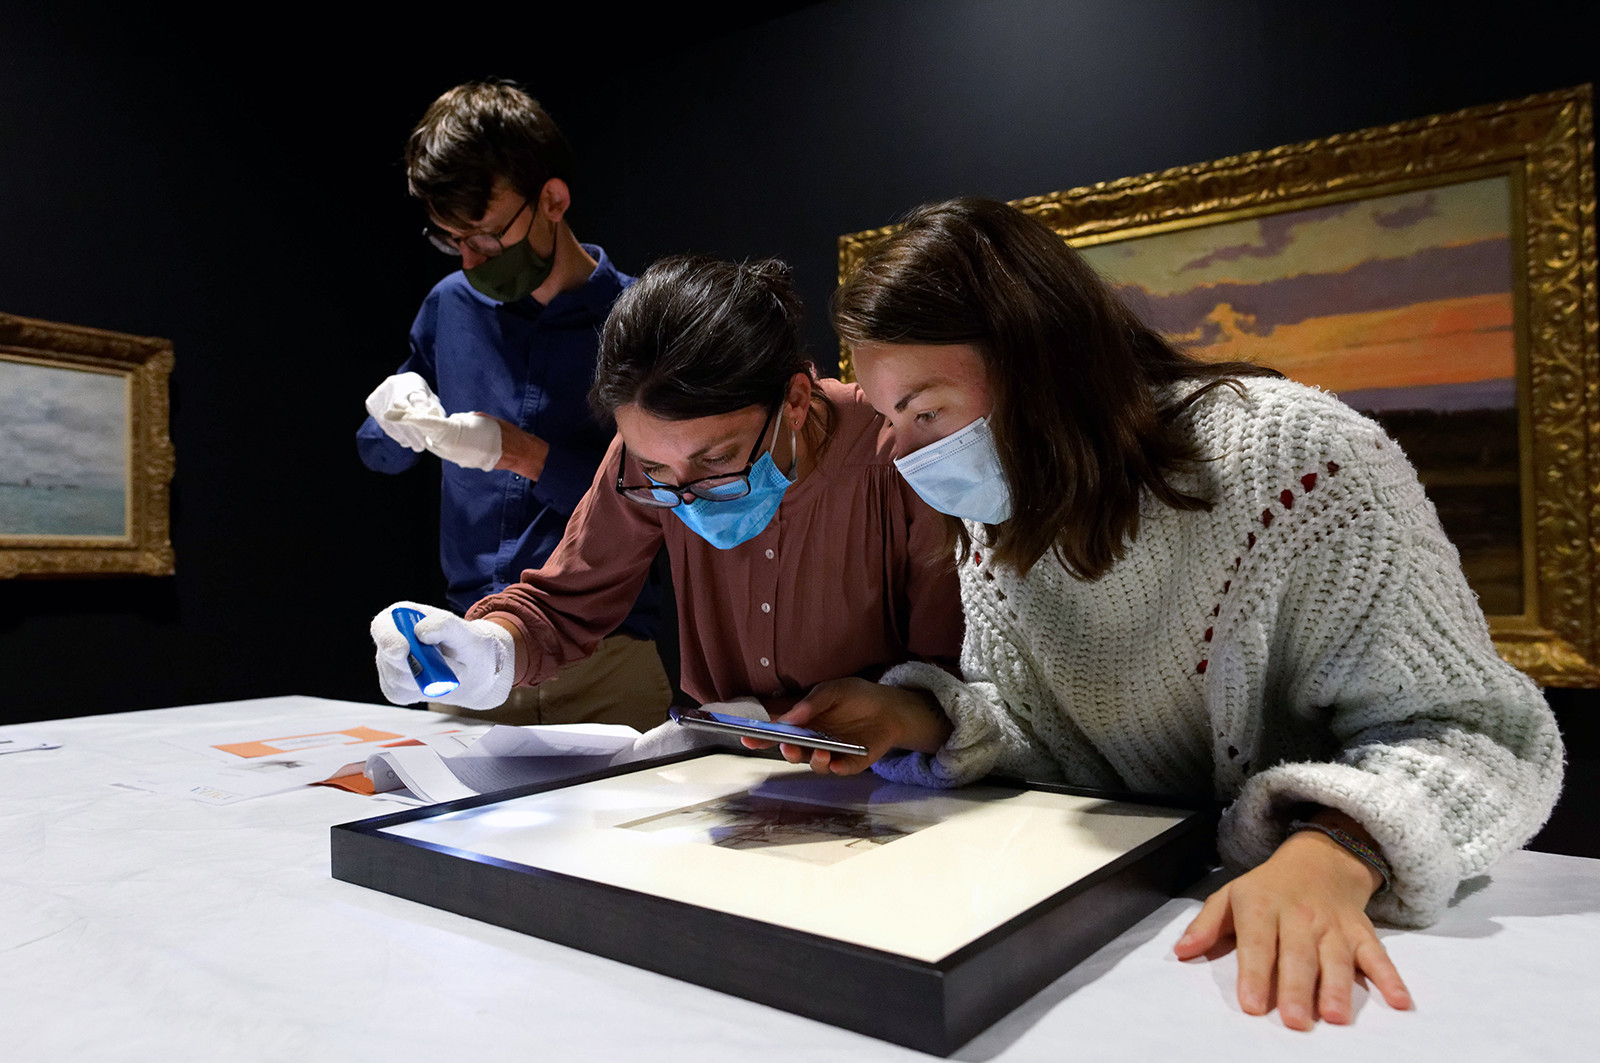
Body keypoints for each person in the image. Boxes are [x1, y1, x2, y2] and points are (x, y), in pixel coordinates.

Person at [768, 197, 1563, 1031]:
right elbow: (1051, 730)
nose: (901, 451)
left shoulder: (1298, 459)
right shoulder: (996, 519)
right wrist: (919, 714)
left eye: (926, 410)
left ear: (1045, 365)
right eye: (889, 417)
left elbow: (1476, 733)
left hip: (1328, 940)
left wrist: (1337, 849)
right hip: (1132, 944)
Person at [369, 255, 963, 724]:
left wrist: (902, 711)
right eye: (657, 471)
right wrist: (488, 650)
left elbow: (955, 674)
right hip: (731, 768)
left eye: (717, 460)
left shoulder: (899, 452)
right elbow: (567, 604)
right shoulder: (643, 455)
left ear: (795, 401)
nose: (688, 496)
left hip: (899, 778)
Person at [356, 81, 667, 729]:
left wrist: (526, 455)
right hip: (468, 652)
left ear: (552, 200)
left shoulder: (643, 320)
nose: (471, 261)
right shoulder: (450, 306)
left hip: (605, 658)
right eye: (452, 241)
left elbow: (669, 502)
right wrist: (393, 417)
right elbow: (377, 454)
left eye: (487, 238)